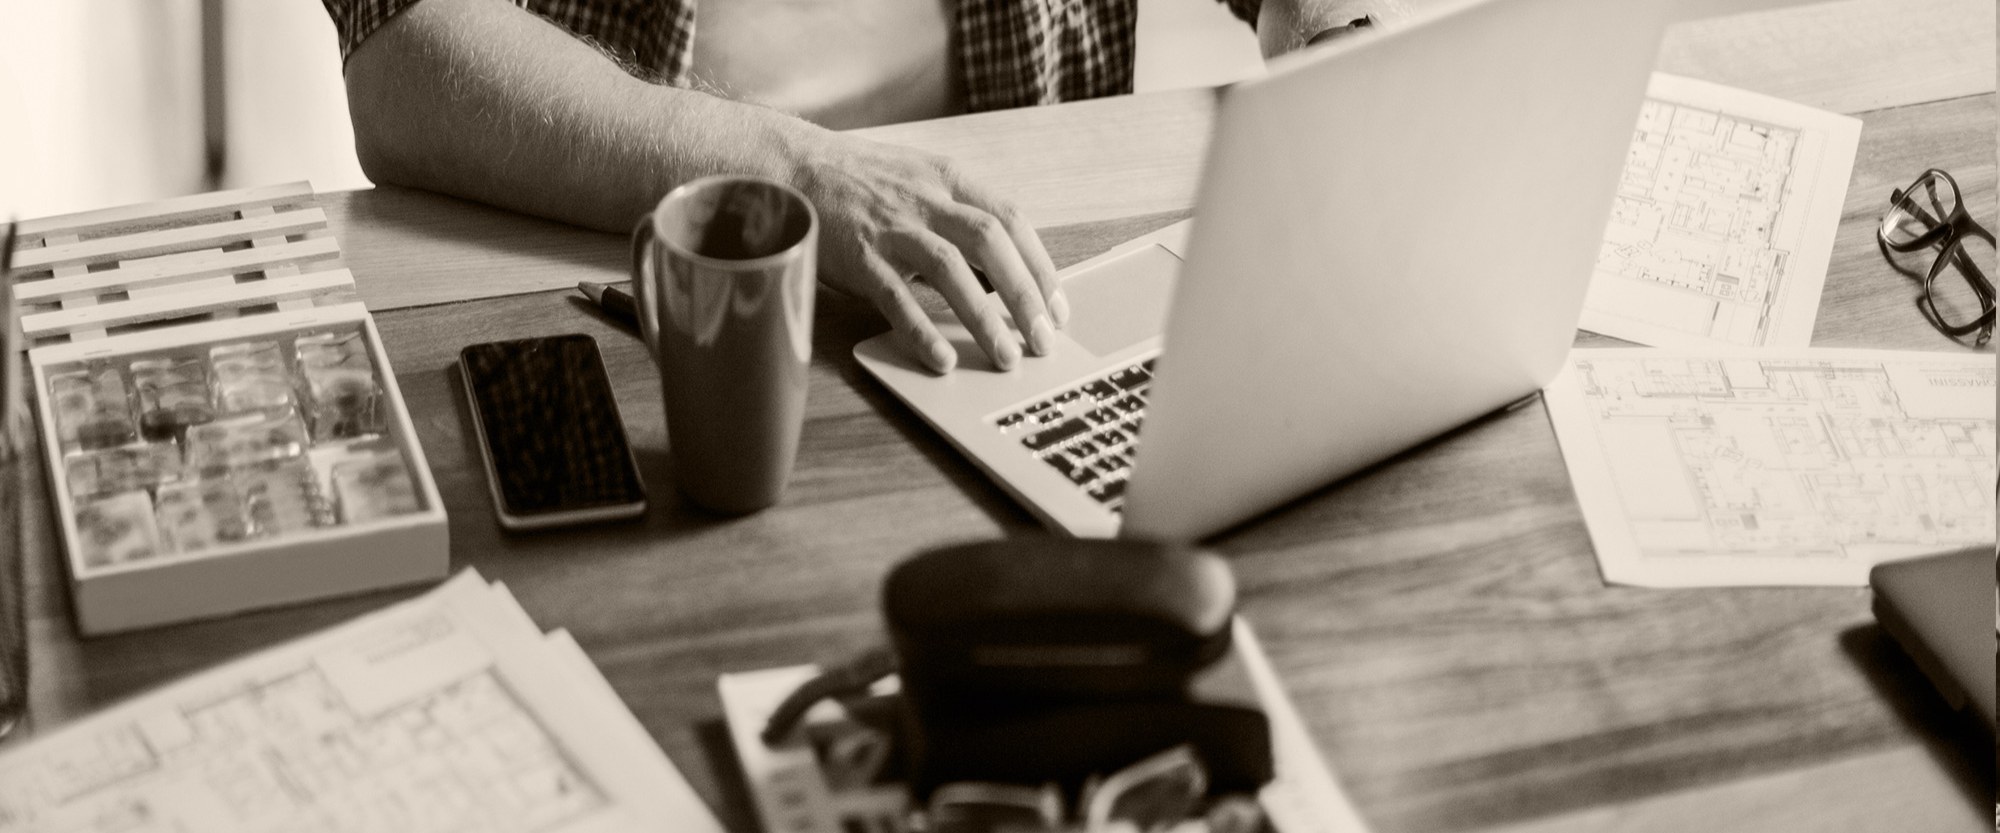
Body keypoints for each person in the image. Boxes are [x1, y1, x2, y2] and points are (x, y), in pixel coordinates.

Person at [323, 0, 1400, 373]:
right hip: (641, 281)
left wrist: (1340, 51)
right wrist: (799, 173)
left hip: (1007, 276)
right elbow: (407, 54)